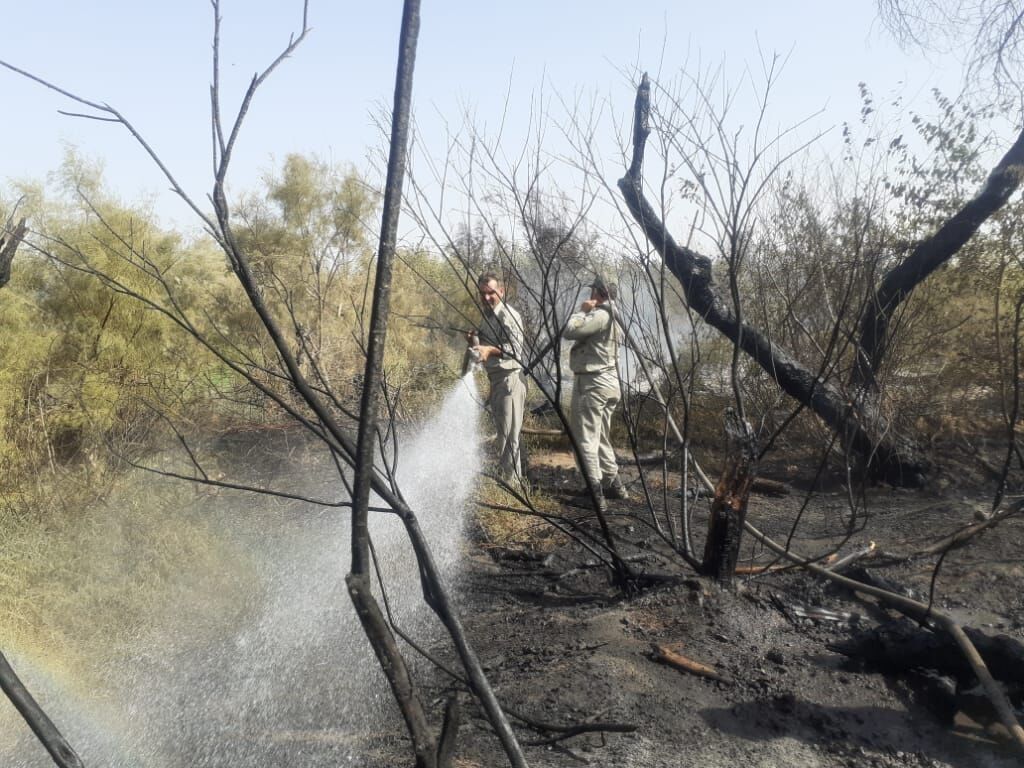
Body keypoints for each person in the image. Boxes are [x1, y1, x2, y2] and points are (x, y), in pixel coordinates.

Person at [564, 278, 628, 509]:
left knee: (585, 439)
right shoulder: (616, 316)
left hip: (593, 384)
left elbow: (570, 331)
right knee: (601, 436)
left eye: (592, 291)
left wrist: (580, 312)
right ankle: (614, 484)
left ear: (598, 293)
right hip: (609, 384)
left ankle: (595, 493)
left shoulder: (600, 315)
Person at [472, 273, 528, 486]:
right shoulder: (487, 315)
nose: (487, 298)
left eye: (491, 293)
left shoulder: (508, 316)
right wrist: (474, 340)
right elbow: (485, 342)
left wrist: (489, 350)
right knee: (503, 435)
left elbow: (515, 350)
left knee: (509, 438)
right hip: (497, 381)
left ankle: (512, 487)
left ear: (501, 292)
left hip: (510, 381)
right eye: (483, 294)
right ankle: (510, 480)